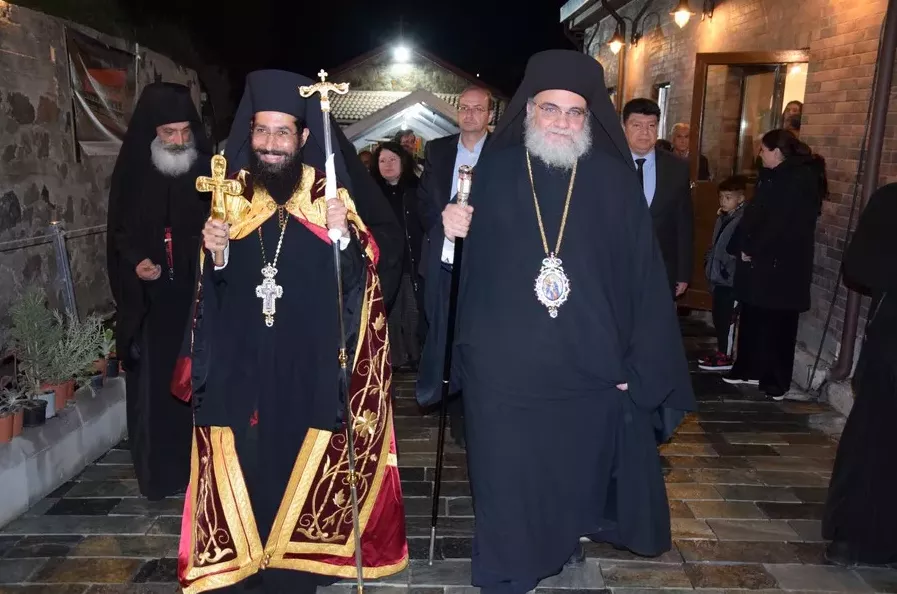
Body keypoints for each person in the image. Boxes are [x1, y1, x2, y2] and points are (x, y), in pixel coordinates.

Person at [440, 50, 695, 593]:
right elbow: (462, 271)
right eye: (550, 109)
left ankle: (554, 543)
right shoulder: (495, 171)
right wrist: (450, 232)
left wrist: (635, 362)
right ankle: (505, 568)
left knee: (566, 472)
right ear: (529, 111)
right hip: (501, 364)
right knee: (504, 472)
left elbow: (643, 279)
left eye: (574, 112)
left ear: (589, 118)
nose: (561, 122)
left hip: (585, 363)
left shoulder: (613, 180)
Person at [173, 70, 408, 594]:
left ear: (303, 137)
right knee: (248, 462)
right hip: (244, 368)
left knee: (296, 465)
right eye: (262, 131)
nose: (271, 143)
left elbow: (360, 285)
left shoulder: (327, 196)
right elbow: (213, 294)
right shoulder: (231, 197)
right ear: (250, 134)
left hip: (309, 363)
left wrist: (343, 238)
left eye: (283, 132)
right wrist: (217, 255)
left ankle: (294, 570)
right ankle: (242, 564)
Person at [106, 82, 211, 501]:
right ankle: (161, 475)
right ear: (152, 131)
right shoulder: (134, 169)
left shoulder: (207, 169)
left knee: (198, 382)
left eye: (185, 132)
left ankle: (203, 471)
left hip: (196, 295)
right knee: (154, 387)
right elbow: (119, 229)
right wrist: (136, 261)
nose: (179, 140)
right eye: (169, 133)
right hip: (151, 300)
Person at [823, 182, 897, 567]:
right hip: (891, 346)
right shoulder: (890, 201)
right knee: (875, 437)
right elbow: (859, 267)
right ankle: (856, 537)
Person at [415, 85, 494, 447]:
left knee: (476, 341)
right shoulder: (438, 149)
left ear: (489, 114)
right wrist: (445, 227)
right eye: (464, 107)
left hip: (486, 265)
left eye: (478, 108)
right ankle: (450, 405)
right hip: (442, 258)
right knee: (443, 335)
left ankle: (474, 417)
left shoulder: (504, 151)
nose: (470, 114)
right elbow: (424, 202)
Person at [724, 129, 824, 400]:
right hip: (763, 261)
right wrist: (741, 246)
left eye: (763, 150)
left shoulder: (797, 180)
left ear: (777, 152)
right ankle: (750, 368)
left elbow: (781, 223)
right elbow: (758, 214)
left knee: (779, 322)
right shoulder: (773, 176)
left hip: (782, 264)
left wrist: (752, 249)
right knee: (754, 315)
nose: (760, 154)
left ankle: (776, 380)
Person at [622, 99, 694, 299]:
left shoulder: (677, 168)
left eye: (651, 126)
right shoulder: (609, 164)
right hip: (616, 268)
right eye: (637, 125)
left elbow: (684, 223)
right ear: (624, 127)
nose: (644, 132)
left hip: (661, 268)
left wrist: (683, 272)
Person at [370, 141, 423, 370]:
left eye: (393, 159)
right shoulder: (372, 194)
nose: (388, 165)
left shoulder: (417, 189)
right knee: (389, 313)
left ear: (403, 161)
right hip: (385, 264)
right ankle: (395, 360)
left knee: (413, 311)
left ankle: (417, 357)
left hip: (412, 262)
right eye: (382, 160)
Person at [698, 175, 747, 372]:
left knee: (728, 319)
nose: (723, 201)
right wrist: (708, 261)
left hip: (730, 280)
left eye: (728, 197)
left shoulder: (742, 220)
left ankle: (726, 355)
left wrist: (727, 268)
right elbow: (716, 244)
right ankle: (720, 351)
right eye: (721, 197)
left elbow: (736, 250)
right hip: (718, 277)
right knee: (719, 317)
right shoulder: (722, 218)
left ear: (740, 199)